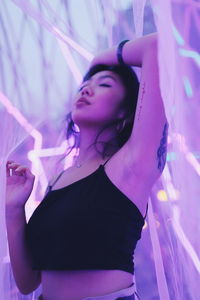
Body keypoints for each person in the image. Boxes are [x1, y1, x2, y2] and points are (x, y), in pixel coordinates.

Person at [5, 32, 168, 300]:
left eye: (104, 84)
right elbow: (28, 282)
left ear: (124, 112)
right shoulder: (59, 179)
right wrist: (13, 210)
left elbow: (156, 46)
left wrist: (99, 59)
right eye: (84, 84)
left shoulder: (132, 165)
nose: (86, 88)